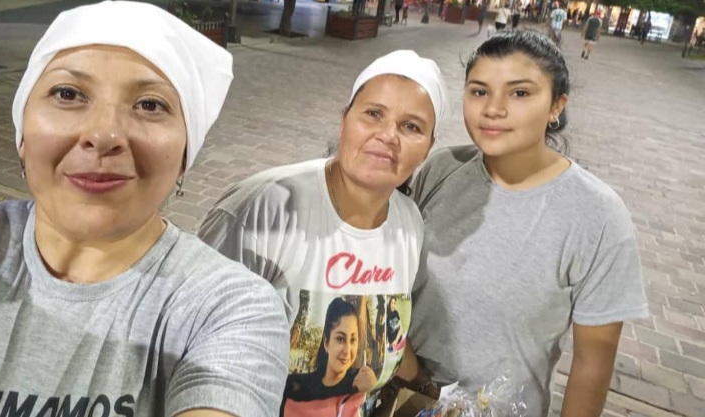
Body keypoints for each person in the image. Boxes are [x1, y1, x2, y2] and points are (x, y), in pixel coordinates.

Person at [0, 0, 290, 416]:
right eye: (68, 94)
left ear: (185, 155)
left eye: (150, 105)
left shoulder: (228, 309)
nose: (103, 134)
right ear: (23, 133)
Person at [398, 30, 648, 416]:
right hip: (403, 398)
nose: (493, 109)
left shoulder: (598, 216)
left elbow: (592, 363)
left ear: (556, 105)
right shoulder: (441, 169)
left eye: (519, 93)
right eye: (479, 91)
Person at [198, 50, 448, 417]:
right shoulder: (265, 208)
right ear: (345, 121)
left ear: (427, 148)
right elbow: (190, 341)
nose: (387, 135)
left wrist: (426, 386)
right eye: (373, 114)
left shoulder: (409, 224)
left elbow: (391, 340)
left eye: (411, 127)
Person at [282, 298, 373, 417]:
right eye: (340, 339)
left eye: (353, 340)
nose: (347, 350)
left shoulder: (360, 382)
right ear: (326, 342)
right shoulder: (296, 386)